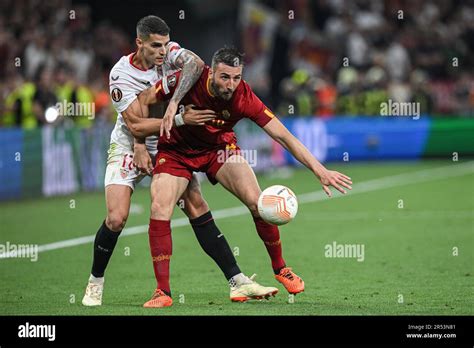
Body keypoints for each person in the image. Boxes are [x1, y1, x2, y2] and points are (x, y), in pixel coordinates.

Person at [82, 17, 277, 308]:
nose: (163, 52)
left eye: (165, 45)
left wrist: (175, 112)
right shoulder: (120, 74)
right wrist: (172, 124)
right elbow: (135, 124)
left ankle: (237, 281)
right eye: (155, 46)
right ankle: (95, 281)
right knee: (117, 217)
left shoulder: (171, 53)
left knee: (196, 204)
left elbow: (196, 64)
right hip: (130, 143)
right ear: (139, 43)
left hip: (169, 143)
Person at [137, 46, 353, 307]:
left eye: (236, 77)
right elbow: (143, 99)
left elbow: (283, 135)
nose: (230, 85)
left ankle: (280, 268)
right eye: (224, 77)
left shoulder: (243, 97)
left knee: (258, 202)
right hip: (175, 151)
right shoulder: (187, 78)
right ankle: (163, 292)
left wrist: (320, 170)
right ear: (211, 72)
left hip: (218, 149)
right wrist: (140, 143)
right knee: (160, 206)